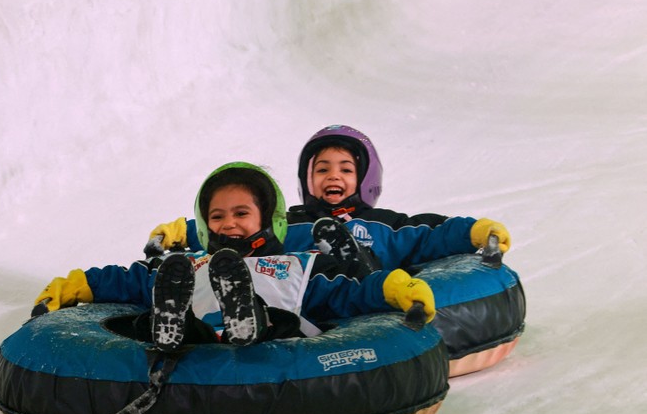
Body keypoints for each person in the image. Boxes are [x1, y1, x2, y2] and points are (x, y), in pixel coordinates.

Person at [33, 162, 436, 352]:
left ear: (268, 218)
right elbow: (128, 279)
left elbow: (347, 294)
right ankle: (172, 327)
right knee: (154, 309)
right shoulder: (190, 265)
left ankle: (249, 319)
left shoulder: (297, 266)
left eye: (241, 214)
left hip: (273, 344)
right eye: (217, 217)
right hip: (200, 343)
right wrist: (76, 287)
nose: (229, 224)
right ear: (205, 225)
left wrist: (393, 287)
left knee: (280, 321)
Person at [146, 125, 512, 277]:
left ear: (365, 178)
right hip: (304, 287)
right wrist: (179, 233)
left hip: (364, 285)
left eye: (345, 170)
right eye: (322, 169)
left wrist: (475, 232)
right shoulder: (288, 221)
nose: (333, 177)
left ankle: (353, 261)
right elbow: (235, 227)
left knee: (357, 266)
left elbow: (429, 235)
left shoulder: (385, 223)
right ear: (307, 179)